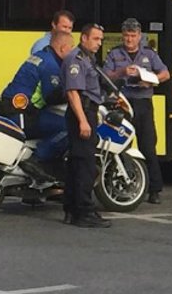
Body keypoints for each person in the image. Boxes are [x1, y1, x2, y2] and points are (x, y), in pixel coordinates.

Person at [103, 18, 170, 205]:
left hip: (143, 102)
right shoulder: (114, 54)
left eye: (133, 36)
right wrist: (122, 72)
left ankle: (154, 189)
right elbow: (106, 75)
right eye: (126, 36)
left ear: (139, 36)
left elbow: (166, 73)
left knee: (148, 146)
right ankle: (119, 185)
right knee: (120, 146)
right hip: (123, 103)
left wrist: (151, 79)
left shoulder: (149, 53)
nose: (129, 39)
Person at [0, 31, 75, 181]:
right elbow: (52, 96)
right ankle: (38, 160)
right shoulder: (51, 66)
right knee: (70, 126)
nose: (73, 52)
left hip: (11, 108)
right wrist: (74, 94)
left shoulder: (41, 56)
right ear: (63, 48)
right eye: (71, 48)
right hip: (23, 114)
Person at [61, 23, 111, 228]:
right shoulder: (76, 59)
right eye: (96, 39)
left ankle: (72, 209)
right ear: (83, 38)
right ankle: (84, 212)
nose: (99, 43)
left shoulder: (88, 59)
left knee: (77, 164)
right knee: (85, 165)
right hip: (81, 113)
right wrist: (82, 120)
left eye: (101, 39)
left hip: (87, 110)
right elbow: (73, 92)